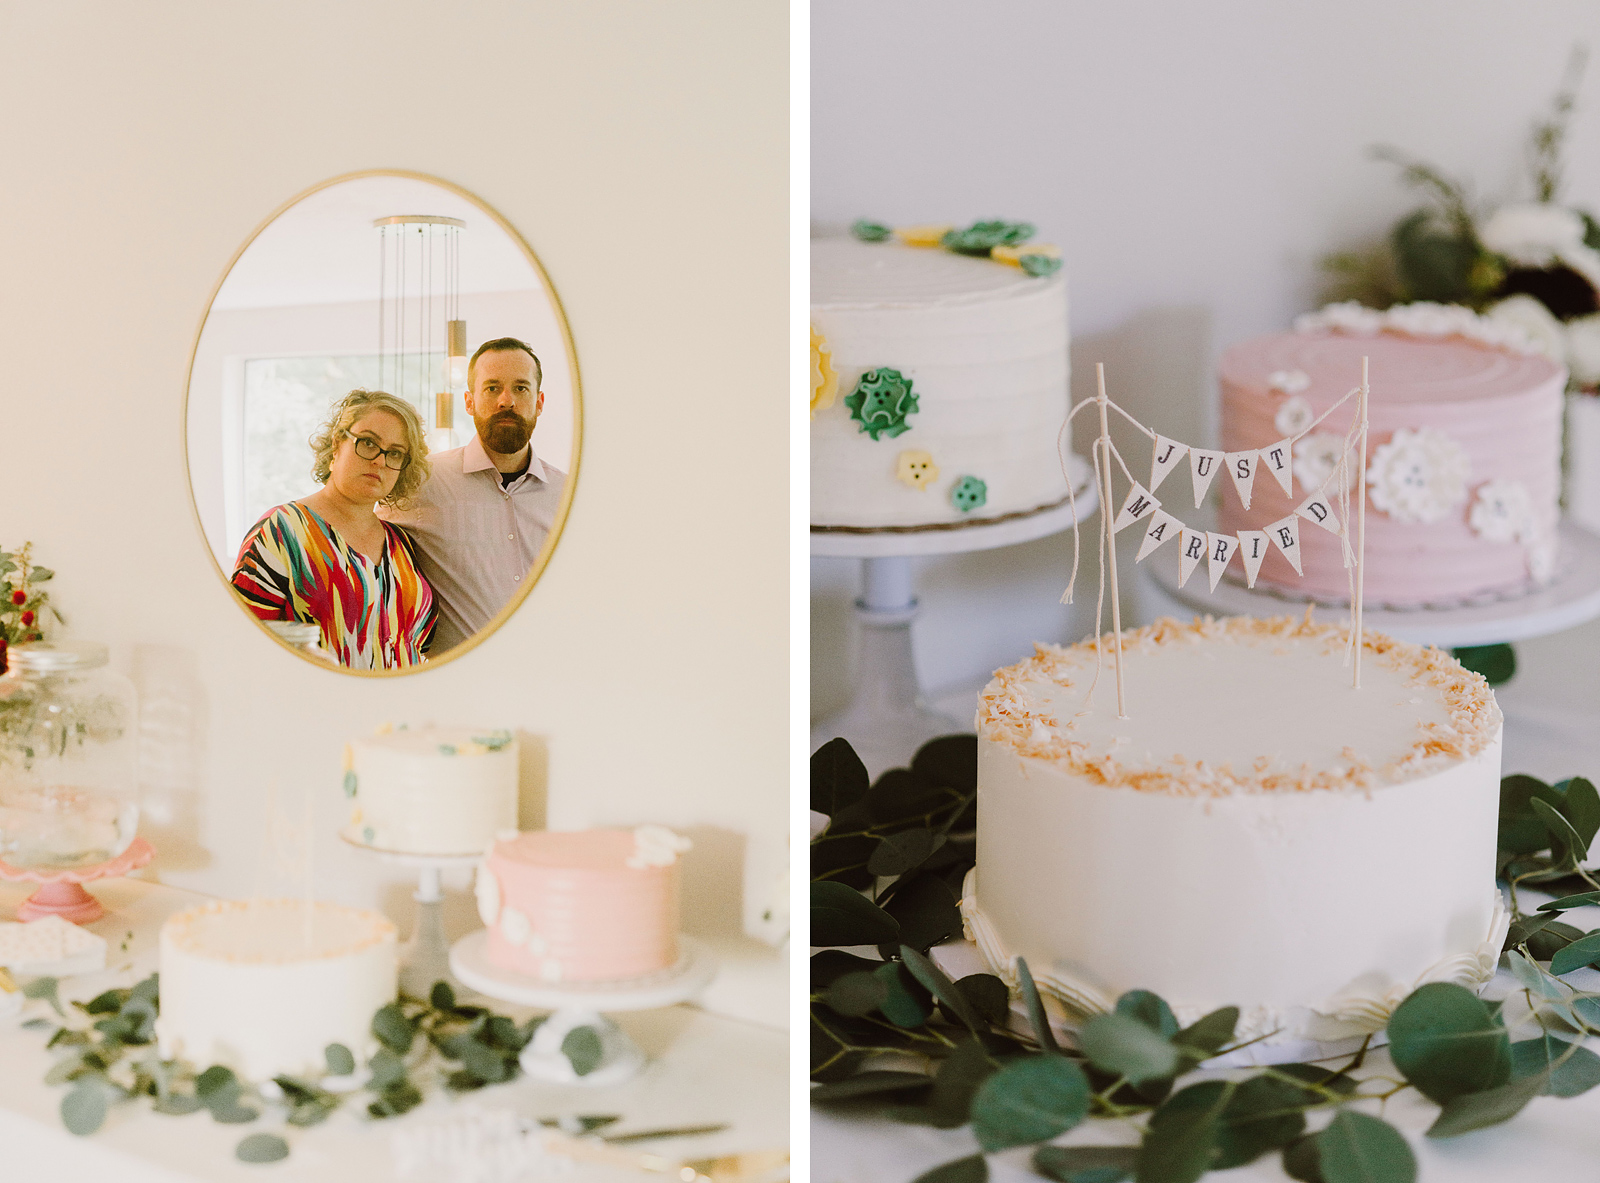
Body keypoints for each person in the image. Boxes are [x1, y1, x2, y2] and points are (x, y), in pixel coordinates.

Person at [382, 337, 567, 653]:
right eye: (492, 388)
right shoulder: (419, 481)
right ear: (468, 401)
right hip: (455, 687)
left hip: (549, 676)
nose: (506, 401)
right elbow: (358, 536)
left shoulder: (567, 495)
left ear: (539, 402)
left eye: (521, 388)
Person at [232, 389, 436, 669]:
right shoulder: (281, 531)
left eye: (396, 453)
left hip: (402, 708)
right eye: (367, 443)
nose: (379, 460)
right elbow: (241, 643)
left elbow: (416, 642)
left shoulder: (401, 542)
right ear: (337, 443)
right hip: (319, 706)